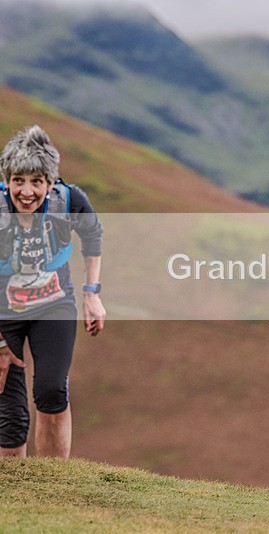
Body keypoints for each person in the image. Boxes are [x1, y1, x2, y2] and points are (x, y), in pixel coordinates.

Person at [0, 125, 105, 458]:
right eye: (18, 180)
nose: (27, 191)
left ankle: (55, 486)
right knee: (9, 406)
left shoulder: (69, 200)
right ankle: (13, 494)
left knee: (51, 390)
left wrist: (91, 293)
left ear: (50, 182)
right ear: (7, 181)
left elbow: (93, 236)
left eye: (36, 182)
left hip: (54, 305)